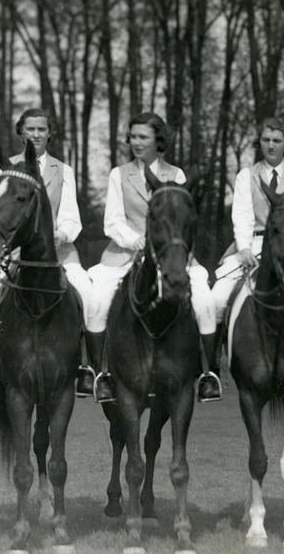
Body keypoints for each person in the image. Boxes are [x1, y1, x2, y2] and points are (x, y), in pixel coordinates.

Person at [86, 112, 220, 403]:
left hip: (171, 257)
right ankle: (99, 374)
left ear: (158, 140)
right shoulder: (118, 174)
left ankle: (209, 374)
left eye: (143, 136)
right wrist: (138, 242)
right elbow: (112, 222)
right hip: (124, 254)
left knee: (206, 301)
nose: (136, 142)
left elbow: (183, 222)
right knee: (96, 301)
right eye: (133, 136)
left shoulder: (177, 176)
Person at [0, 108, 94, 398]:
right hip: (12, 254)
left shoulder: (64, 171)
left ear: (50, 134)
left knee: (89, 294)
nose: (36, 134)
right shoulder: (5, 168)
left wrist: (60, 234)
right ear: (20, 132)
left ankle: (89, 368)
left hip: (58, 254)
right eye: (30, 129)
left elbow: (72, 217)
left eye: (41, 129)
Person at [211, 118, 284, 361]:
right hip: (253, 243)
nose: (271, 145)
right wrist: (243, 247)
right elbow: (242, 215)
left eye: (277, 140)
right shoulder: (247, 176)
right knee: (217, 298)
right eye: (266, 140)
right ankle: (211, 369)